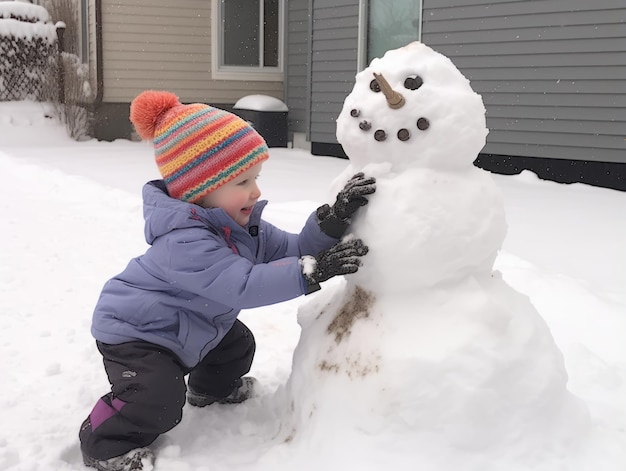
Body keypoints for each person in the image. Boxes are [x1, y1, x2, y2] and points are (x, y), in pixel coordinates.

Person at [79, 90, 375, 471]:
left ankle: (208, 389)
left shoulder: (240, 229)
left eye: (256, 178)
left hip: (191, 323)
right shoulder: (184, 241)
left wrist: (333, 219)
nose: (256, 191)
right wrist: (312, 272)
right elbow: (243, 285)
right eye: (242, 182)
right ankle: (104, 441)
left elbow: (294, 247)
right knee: (156, 399)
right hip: (137, 335)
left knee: (236, 345)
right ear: (199, 189)